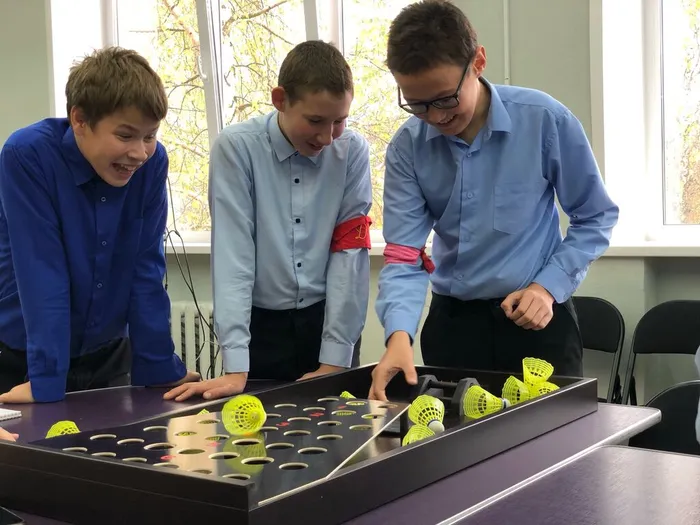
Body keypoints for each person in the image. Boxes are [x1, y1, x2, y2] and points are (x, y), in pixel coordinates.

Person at [369, 0, 619, 401]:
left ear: (478, 62)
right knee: (452, 439)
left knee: (552, 439)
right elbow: (404, 255)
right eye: (416, 105)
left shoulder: (544, 120)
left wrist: (547, 287)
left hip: (537, 322)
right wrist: (398, 336)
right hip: (453, 329)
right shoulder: (406, 148)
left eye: (445, 99)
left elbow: (596, 216)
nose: (435, 117)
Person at [165, 41, 372, 402]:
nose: (327, 137)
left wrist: (335, 358)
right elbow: (234, 254)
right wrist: (236, 365)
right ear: (280, 100)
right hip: (261, 327)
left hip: (327, 319)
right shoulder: (236, 148)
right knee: (255, 431)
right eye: (315, 121)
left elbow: (349, 253)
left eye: (339, 121)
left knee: (337, 431)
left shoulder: (351, 151)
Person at [0, 47, 199, 404]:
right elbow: (42, 269)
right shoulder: (28, 154)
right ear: (79, 120)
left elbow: (145, 266)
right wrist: (46, 379)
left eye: (150, 135)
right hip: (22, 356)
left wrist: (158, 364)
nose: (139, 152)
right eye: (125, 136)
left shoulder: (153, 163)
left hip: (106, 355)